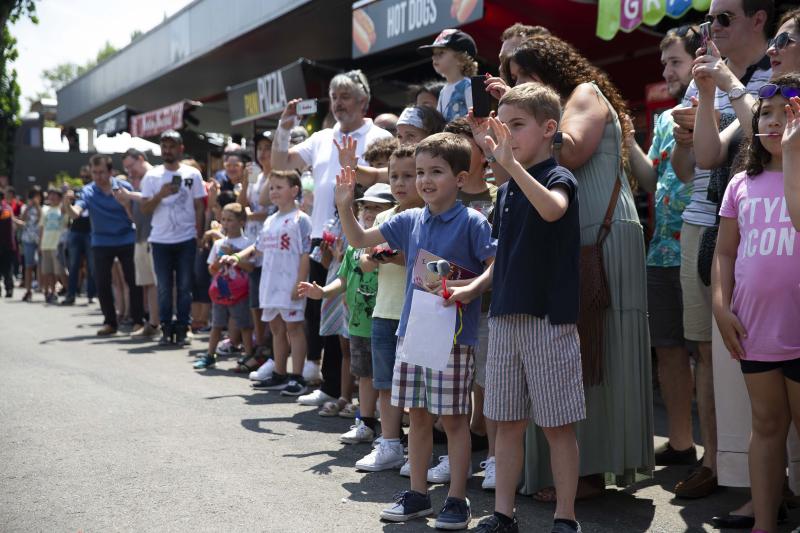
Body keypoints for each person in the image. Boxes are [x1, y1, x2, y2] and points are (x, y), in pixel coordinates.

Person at [499, 35, 652, 501]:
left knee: (599, 351)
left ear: (551, 68)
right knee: (571, 356)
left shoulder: (584, 93)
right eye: (512, 80)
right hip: (568, 235)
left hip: (600, 234)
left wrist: (517, 135)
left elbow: (573, 150)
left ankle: (590, 473)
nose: (519, 84)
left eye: (525, 76)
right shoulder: (535, 124)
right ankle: (568, 474)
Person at [335, 132, 496, 529]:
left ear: (460, 178)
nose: (424, 180)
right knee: (418, 417)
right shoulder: (407, 218)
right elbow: (358, 240)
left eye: (436, 172)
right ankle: (419, 493)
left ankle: (457, 498)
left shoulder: (473, 221)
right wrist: (344, 206)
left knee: (454, 420)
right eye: (420, 171)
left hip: (453, 338)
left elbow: (497, 263)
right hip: (412, 333)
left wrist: (474, 286)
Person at [448, 82, 584, 533]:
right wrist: (473, 288)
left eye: (517, 126)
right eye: (502, 126)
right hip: (505, 317)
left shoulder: (556, 177)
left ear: (549, 129)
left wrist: (508, 166)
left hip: (548, 319)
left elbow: (553, 210)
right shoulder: (505, 190)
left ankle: (566, 517)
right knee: (504, 422)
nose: (508, 135)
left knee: (558, 426)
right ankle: (503, 514)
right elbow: (505, 253)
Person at [669, 0, 774, 499]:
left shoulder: (775, 72)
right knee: (710, 353)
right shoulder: (710, 74)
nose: (713, 28)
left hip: (768, 231)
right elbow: (706, 159)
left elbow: (764, 135)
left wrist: (727, 87)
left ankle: (773, 477)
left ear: (759, 19)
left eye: (725, 17)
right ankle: (720, 463)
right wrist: (705, 99)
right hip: (713, 227)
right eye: (711, 19)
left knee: (772, 356)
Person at [271, 70, 392, 407]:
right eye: (334, 96)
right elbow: (281, 164)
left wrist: (359, 171)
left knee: (356, 318)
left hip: (363, 236)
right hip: (322, 237)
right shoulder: (322, 137)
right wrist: (283, 128)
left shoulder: (379, 135)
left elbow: (392, 175)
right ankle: (332, 388)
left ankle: (361, 399)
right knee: (326, 314)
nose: (338, 103)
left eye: (346, 96)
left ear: (364, 101)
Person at [713, 73, 800, 533]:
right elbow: (725, 252)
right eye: (765, 114)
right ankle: (764, 524)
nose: (772, 122)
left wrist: (794, 155)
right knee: (766, 428)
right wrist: (721, 306)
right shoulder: (740, 184)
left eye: (785, 113)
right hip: (756, 328)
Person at [625, 26, 700, 466]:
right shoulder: (666, 119)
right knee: (669, 349)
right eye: (665, 64)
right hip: (662, 251)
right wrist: (630, 138)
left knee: (705, 353)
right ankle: (682, 442)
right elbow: (652, 181)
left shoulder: (715, 108)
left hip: (699, 244)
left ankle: (720, 455)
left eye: (675, 62)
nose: (668, 71)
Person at [299, 183, 395, 445]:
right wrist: (323, 292)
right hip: (357, 323)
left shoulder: (391, 245)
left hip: (385, 320)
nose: (369, 212)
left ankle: (390, 431)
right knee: (364, 375)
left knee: (385, 378)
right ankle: (365, 423)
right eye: (366, 206)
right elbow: (343, 279)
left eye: (378, 207)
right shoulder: (354, 245)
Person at [353, 144, 424, 471]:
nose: (400, 183)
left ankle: (417, 450)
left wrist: (399, 258)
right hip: (383, 312)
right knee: (385, 384)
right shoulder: (383, 217)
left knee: (419, 391)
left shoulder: (429, 216)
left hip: (417, 315)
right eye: (395, 176)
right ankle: (390, 443)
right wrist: (372, 258)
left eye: (409, 176)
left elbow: (433, 268)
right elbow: (364, 263)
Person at [445, 115, 498, 486]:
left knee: (492, 383)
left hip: (490, 305)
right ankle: (454, 460)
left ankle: (496, 459)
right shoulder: (444, 197)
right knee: (454, 390)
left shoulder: (499, 195)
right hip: (447, 308)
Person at [230, 170, 311, 397]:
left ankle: (297, 377)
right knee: (276, 328)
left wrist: (300, 282)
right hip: (270, 283)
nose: (274, 192)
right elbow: (257, 248)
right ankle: (279, 373)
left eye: (279, 187)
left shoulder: (301, 219)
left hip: (290, 284)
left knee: (293, 329)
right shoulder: (270, 220)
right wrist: (236, 257)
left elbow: (306, 252)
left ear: (294, 190)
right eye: (272, 188)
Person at [63, 154, 144, 336]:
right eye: (94, 172)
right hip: (101, 241)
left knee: (133, 281)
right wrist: (67, 204)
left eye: (101, 172)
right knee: (102, 283)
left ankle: (138, 320)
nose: (98, 176)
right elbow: (76, 213)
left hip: (126, 239)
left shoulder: (125, 188)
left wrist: (125, 204)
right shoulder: (88, 191)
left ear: (110, 172)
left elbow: (135, 218)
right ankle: (110, 322)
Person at [140, 130, 207, 347]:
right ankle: (166, 328)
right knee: (164, 287)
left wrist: (199, 234)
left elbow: (199, 205)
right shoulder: (152, 176)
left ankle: (183, 327)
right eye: (164, 146)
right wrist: (160, 195)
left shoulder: (192, 174)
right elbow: (144, 208)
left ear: (180, 148)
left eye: (171, 146)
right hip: (160, 240)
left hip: (186, 238)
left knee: (186, 285)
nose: (167, 150)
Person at [195, 202, 254, 370]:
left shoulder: (247, 243)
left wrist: (234, 257)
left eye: (230, 220)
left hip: (241, 291)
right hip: (221, 290)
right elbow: (211, 269)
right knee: (217, 324)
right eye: (223, 220)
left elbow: (251, 267)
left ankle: (248, 356)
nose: (226, 224)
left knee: (244, 324)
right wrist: (218, 264)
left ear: (242, 222)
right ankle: (210, 355)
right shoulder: (219, 244)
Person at [119, 148, 159, 338]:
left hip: (157, 237)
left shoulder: (155, 175)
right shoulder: (137, 183)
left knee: (160, 283)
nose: (130, 171)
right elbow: (137, 218)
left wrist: (128, 196)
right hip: (141, 237)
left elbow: (151, 200)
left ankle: (167, 322)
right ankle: (153, 323)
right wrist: (126, 204)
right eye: (127, 168)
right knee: (148, 283)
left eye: (131, 166)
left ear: (141, 159)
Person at [418, 29, 478, 122]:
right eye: (434, 54)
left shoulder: (469, 86)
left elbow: (478, 119)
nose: (434, 57)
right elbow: (440, 121)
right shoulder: (443, 91)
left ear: (461, 59)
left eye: (441, 53)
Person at [61, 187, 95, 306]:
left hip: (90, 232)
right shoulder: (75, 197)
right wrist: (66, 199)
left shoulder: (93, 196)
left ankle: (91, 294)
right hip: (75, 232)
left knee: (91, 266)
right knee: (73, 265)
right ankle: (71, 294)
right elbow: (66, 212)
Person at [38, 188, 68, 304]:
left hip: (58, 245)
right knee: (48, 271)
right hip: (46, 244)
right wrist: (40, 244)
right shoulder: (45, 210)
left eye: (55, 195)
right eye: (50, 195)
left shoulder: (63, 209)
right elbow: (41, 227)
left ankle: (68, 290)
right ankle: (52, 292)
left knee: (59, 271)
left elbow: (66, 224)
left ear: (60, 197)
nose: (52, 197)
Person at [19, 186, 42, 302]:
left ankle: (42, 288)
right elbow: (22, 220)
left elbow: (41, 219)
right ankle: (28, 290)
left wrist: (37, 206)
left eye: (37, 195)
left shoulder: (43, 208)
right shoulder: (25, 207)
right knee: (28, 266)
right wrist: (28, 207)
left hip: (39, 240)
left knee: (40, 265)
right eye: (33, 195)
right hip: (27, 239)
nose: (35, 198)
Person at [0, 190, 16, 297]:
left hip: (6, 243)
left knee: (7, 269)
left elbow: (5, 222)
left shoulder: (6, 209)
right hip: (5, 243)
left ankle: (9, 288)